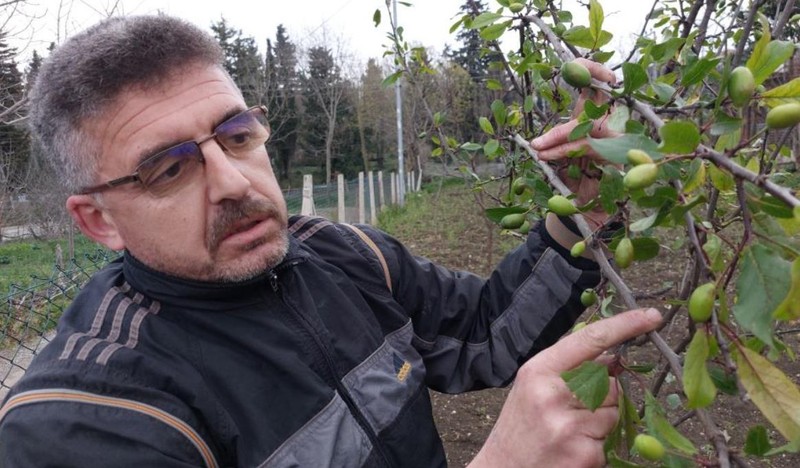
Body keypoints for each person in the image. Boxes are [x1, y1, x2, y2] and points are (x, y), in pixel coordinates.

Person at [0, 15, 661, 467]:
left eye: (235, 136)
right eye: (169, 169)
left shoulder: (341, 255)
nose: (232, 181)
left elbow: (485, 337)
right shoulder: (87, 420)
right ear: (99, 221)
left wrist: (584, 204)